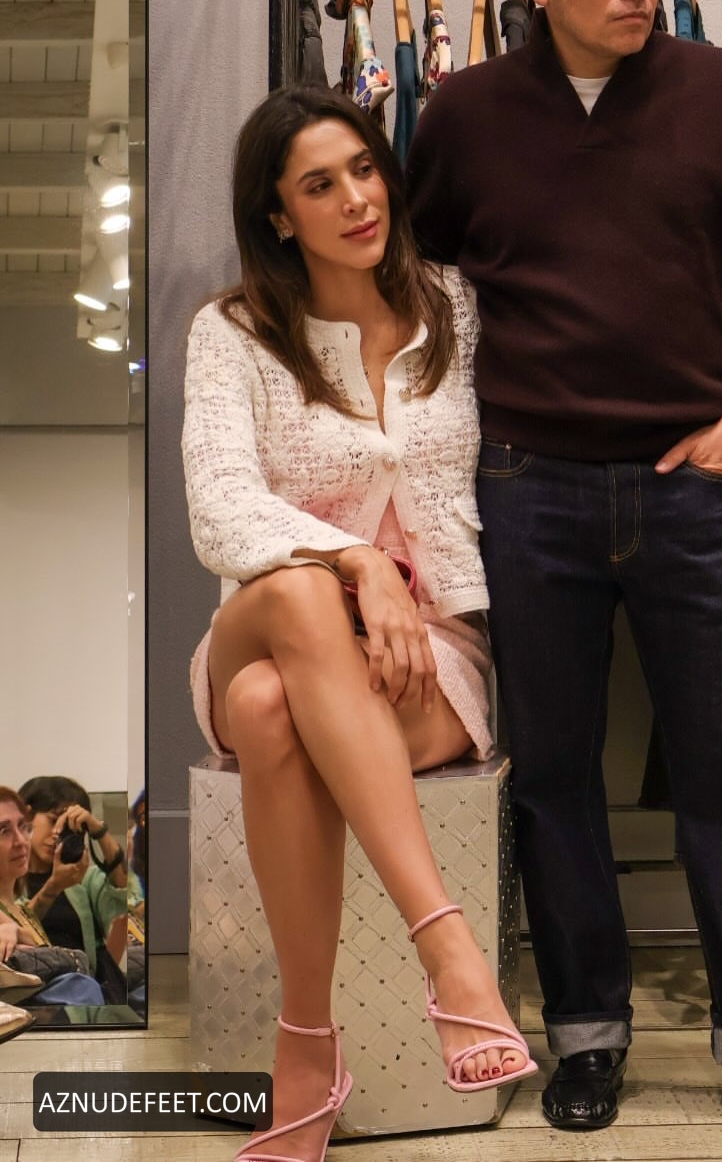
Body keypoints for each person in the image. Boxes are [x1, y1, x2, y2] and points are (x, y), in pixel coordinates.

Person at [406, 0, 722, 1143]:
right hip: (524, 486)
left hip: (690, 483)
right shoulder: (465, 112)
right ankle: (585, 1035)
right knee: (551, 776)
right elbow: (421, 287)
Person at [181, 87, 537, 1162]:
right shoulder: (231, 332)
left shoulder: (455, 309)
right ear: (278, 214)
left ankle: (305, 1046)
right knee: (295, 605)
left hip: (429, 646)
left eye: (366, 169)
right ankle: (450, 955)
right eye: (319, 184)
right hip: (267, 616)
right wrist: (355, 563)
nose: (355, 199)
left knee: (267, 708)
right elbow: (219, 506)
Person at [18, 775, 128, 1001]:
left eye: (67, 827)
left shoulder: (81, 878)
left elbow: (121, 903)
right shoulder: (9, 879)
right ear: (27, 819)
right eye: (53, 820)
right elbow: (16, 928)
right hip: (26, 991)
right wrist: (53, 887)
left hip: (83, 988)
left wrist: (98, 830)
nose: (56, 834)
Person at [0, 785, 106, 1008]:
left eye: (22, 827)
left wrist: (18, 932)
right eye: (3, 831)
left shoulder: (21, 909)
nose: (20, 841)